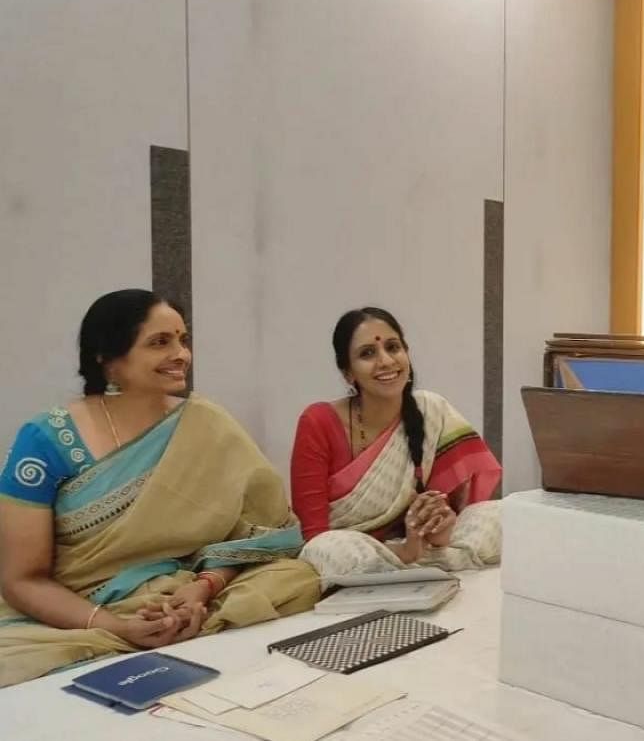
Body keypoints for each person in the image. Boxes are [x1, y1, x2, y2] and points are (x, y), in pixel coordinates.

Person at [0, 290, 319, 687]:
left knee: (297, 577)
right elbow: (22, 579)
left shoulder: (206, 423)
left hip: (182, 593)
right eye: (159, 343)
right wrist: (116, 626)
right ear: (107, 357)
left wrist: (204, 588)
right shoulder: (46, 440)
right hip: (82, 606)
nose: (181, 354)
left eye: (183, 340)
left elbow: (264, 532)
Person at [290, 307, 502, 580]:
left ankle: (402, 567)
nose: (386, 361)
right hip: (350, 548)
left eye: (393, 347)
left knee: (501, 514)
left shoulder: (431, 411)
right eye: (367, 354)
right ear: (348, 373)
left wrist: (437, 529)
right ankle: (403, 564)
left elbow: (442, 512)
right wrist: (403, 551)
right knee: (328, 548)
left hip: (412, 545)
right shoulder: (318, 421)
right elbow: (314, 534)